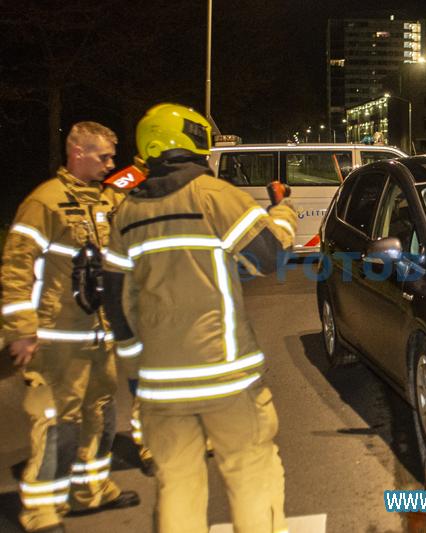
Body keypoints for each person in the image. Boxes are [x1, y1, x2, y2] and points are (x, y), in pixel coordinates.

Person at [102, 103, 297, 533]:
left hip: (160, 385)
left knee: (177, 485)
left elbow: (116, 301)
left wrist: (136, 369)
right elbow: (270, 257)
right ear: (194, 138)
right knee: (251, 471)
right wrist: (282, 211)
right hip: (224, 376)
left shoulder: (127, 213)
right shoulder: (213, 195)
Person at [2, 122, 140, 533]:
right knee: (56, 422)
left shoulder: (99, 201)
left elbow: (126, 186)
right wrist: (22, 329)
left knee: (100, 414)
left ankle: (90, 491)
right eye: (104, 157)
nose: (110, 165)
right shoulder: (44, 203)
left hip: (97, 335)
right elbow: (15, 266)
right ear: (77, 153)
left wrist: (144, 166)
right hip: (57, 338)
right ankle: (41, 510)